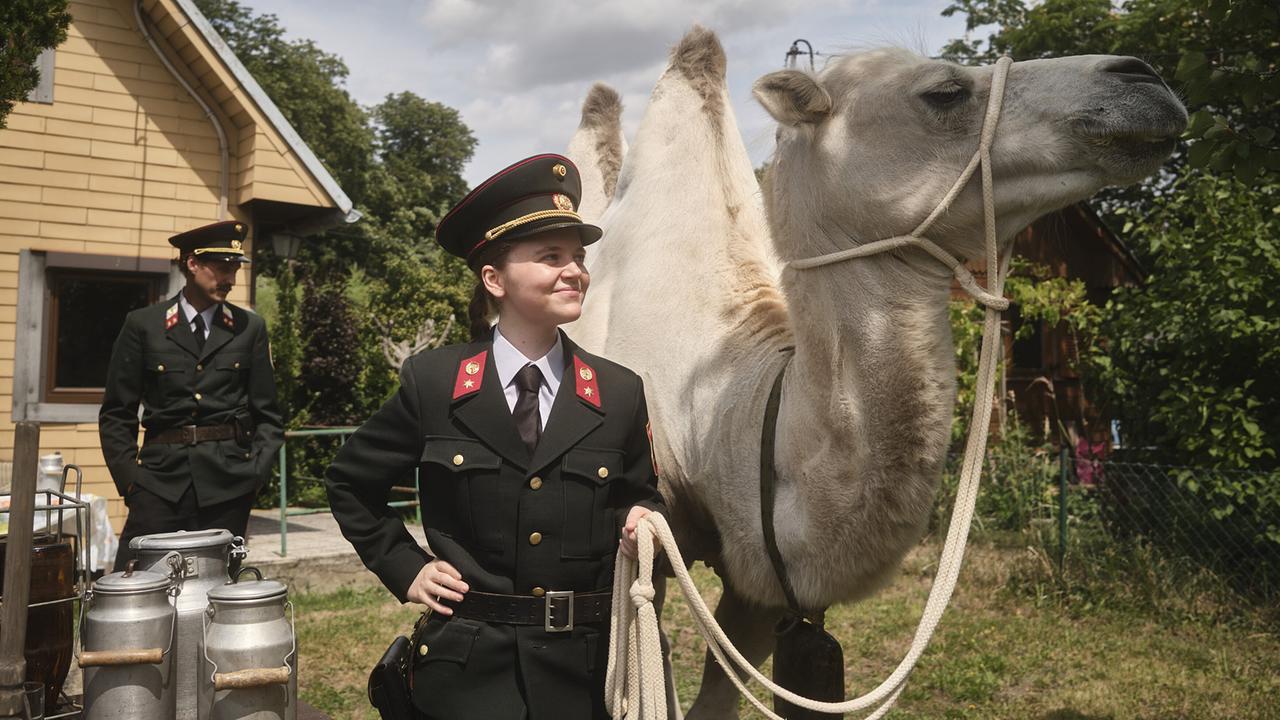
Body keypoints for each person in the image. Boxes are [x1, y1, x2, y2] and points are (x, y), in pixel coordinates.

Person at [325, 153, 667, 720]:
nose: (575, 270)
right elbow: (351, 484)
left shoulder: (619, 391)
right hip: (467, 674)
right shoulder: (434, 384)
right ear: (494, 278)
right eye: (551, 256)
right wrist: (404, 566)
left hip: (586, 673)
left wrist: (643, 521)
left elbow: (642, 495)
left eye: (578, 257)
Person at [99, 220, 284, 571]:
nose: (230, 278)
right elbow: (117, 412)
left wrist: (254, 475)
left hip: (228, 485)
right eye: (221, 266)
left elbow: (268, 415)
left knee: (217, 595)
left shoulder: (249, 329)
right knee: (135, 586)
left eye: (235, 267)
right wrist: (131, 481)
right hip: (158, 483)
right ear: (192, 263)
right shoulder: (144, 325)